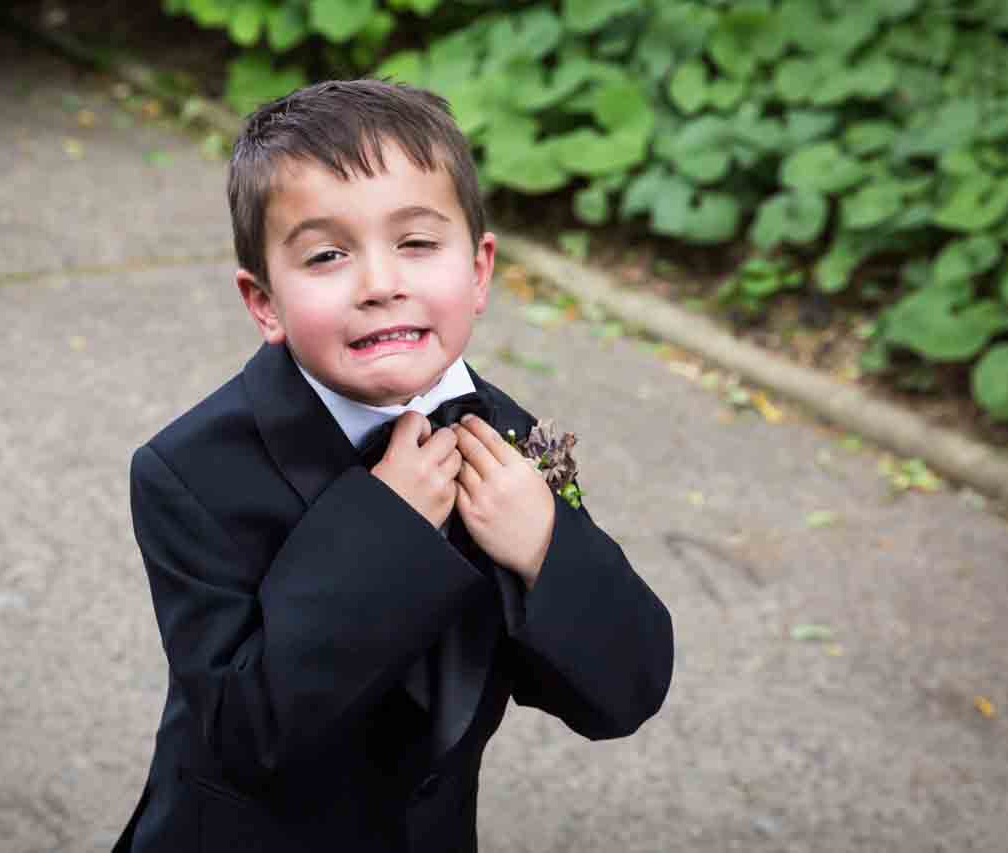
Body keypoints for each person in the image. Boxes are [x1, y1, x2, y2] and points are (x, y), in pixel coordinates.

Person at [112, 78, 673, 853]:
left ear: (478, 271)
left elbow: (626, 691)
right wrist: (386, 530)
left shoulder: (505, 441)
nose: (381, 284)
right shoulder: (189, 473)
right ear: (264, 300)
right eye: (328, 254)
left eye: (416, 242)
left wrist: (546, 544)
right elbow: (249, 740)